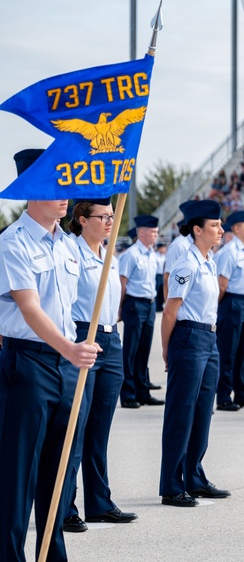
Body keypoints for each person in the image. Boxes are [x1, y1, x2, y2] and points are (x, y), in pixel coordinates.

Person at [0, 149, 99, 562]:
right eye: (56, 187)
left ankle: (51, 554)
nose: (66, 196)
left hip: (68, 364)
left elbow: (75, 305)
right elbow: (28, 307)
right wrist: (69, 349)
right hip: (30, 363)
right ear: (30, 192)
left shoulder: (68, 247)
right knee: (19, 473)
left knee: (59, 471)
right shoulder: (13, 242)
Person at [61, 199, 136, 534]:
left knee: (99, 430)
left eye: (111, 216)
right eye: (103, 216)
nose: (110, 221)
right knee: (74, 429)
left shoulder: (109, 255)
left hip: (111, 339)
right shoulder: (68, 251)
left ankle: (99, 502)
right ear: (81, 220)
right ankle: (64, 507)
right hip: (81, 336)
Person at [159, 199, 230, 507]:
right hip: (187, 337)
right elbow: (170, 311)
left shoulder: (208, 260)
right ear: (197, 230)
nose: (220, 229)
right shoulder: (186, 263)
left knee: (202, 412)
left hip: (208, 339)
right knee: (181, 413)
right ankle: (172, 485)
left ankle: (195, 477)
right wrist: (167, 351)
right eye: (214, 225)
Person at [214, 211, 244, 412]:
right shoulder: (229, 252)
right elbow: (221, 285)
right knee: (227, 352)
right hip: (231, 303)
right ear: (237, 228)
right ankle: (223, 396)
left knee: (242, 351)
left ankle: (240, 392)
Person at [117, 213, 164, 408]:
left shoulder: (152, 254)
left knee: (144, 350)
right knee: (131, 350)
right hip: (135, 304)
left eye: (156, 232)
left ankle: (142, 391)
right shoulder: (131, 255)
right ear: (141, 232)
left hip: (150, 304)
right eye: (152, 232)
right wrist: (119, 309)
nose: (156, 235)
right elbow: (122, 283)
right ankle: (128, 394)